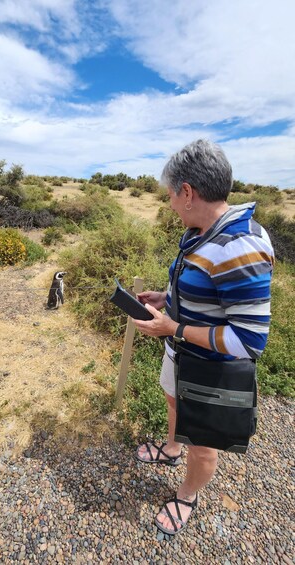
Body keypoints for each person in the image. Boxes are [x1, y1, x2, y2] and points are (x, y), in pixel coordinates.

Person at [132, 139, 274, 535]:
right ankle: (172, 448)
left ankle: (187, 495)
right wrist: (168, 297)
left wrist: (172, 327)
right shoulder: (205, 231)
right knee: (173, 401)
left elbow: (248, 341)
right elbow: (209, 290)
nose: (171, 205)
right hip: (182, 355)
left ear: (188, 192)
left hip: (209, 369)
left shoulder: (238, 245)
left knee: (204, 444)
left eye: (171, 197)